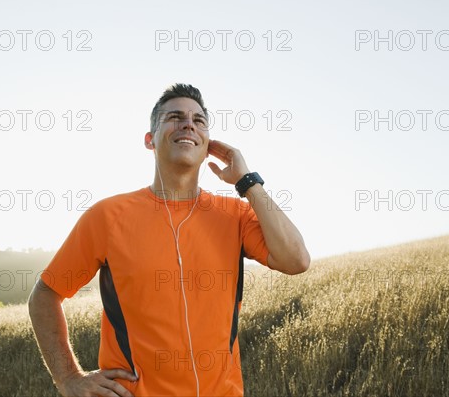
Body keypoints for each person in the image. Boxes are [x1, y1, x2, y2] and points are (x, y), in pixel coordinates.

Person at [28, 83, 310, 397]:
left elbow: (296, 260)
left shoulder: (236, 215)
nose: (188, 124)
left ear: (208, 144)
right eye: (175, 117)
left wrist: (247, 181)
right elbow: (45, 295)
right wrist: (68, 378)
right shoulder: (107, 216)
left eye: (199, 121)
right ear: (150, 139)